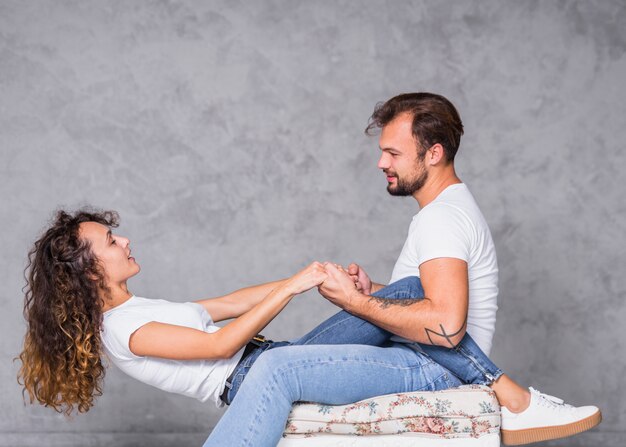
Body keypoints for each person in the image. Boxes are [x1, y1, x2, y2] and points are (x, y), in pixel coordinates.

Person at [203, 93, 601, 446]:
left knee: (275, 367)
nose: (381, 163)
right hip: (420, 356)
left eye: (393, 153)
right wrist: (374, 289)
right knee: (281, 360)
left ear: (434, 153)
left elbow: (446, 326)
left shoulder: (441, 219)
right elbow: (422, 295)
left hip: (432, 365)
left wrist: (358, 303)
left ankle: (517, 399)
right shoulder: (446, 210)